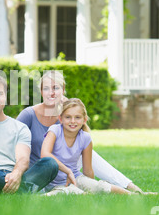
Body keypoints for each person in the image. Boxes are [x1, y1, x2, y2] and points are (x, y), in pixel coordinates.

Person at [17, 70, 147, 194]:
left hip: (65, 170)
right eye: (46, 88)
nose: (51, 93)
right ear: (41, 92)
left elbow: (81, 138)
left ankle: (132, 187)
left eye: (56, 88)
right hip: (41, 173)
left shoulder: (66, 117)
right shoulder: (29, 115)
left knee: (90, 153)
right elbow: (13, 143)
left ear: (63, 90)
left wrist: (66, 105)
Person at [41, 98, 133, 195]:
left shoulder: (85, 138)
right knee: (74, 193)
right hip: (55, 184)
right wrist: (68, 171)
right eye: (68, 117)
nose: (73, 121)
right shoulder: (54, 131)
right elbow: (45, 154)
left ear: (84, 120)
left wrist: (92, 186)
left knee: (101, 187)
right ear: (60, 119)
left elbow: (88, 170)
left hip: (77, 179)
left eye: (77, 117)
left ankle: (135, 194)